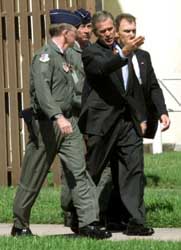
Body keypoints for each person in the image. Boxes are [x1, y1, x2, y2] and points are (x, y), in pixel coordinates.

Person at [11, 9, 111, 240]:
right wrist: (58, 117)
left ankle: (89, 223)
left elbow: (76, 89)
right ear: (66, 33)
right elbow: (43, 92)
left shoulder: (68, 56)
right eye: (75, 31)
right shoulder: (44, 57)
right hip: (47, 124)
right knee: (33, 175)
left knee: (79, 171)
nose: (79, 35)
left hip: (69, 123)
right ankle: (20, 224)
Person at [78, 10, 154, 236]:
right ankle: (80, 217)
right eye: (103, 31)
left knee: (133, 169)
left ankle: (135, 221)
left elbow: (131, 89)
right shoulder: (91, 53)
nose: (109, 34)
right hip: (102, 123)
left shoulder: (124, 50)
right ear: (95, 32)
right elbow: (103, 68)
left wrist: (141, 117)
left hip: (127, 122)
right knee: (94, 170)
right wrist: (124, 54)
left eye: (111, 29)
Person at [105, 13, 170, 234]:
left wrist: (161, 112)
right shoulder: (108, 57)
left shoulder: (143, 56)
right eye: (127, 31)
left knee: (134, 170)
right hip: (112, 122)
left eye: (134, 30)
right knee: (113, 171)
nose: (132, 35)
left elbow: (152, 86)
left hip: (136, 122)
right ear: (116, 32)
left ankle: (135, 220)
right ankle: (113, 216)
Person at [60, 8, 92, 229]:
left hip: (90, 115)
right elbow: (74, 87)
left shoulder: (89, 49)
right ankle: (71, 212)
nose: (87, 31)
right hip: (76, 114)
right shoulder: (70, 53)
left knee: (86, 165)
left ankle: (86, 212)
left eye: (89, 26)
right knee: (73, 166)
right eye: (83, 27)